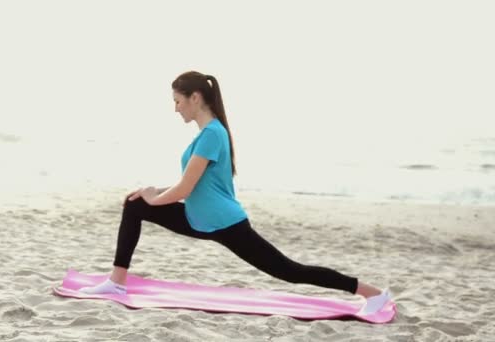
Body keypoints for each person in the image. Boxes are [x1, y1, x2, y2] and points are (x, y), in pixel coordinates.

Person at [80, 71, 391, 314]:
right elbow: (194, 183)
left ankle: (371, 293)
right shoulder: (207, 134)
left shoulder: (212, 134)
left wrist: (156, 197)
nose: (175, 108)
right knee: (134, 204)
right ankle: (116, 282)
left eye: (177, 101)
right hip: (198, 217)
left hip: (224, 222)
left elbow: (185, 188)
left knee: (288, 270)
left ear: (195, 97)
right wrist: (150, 193)